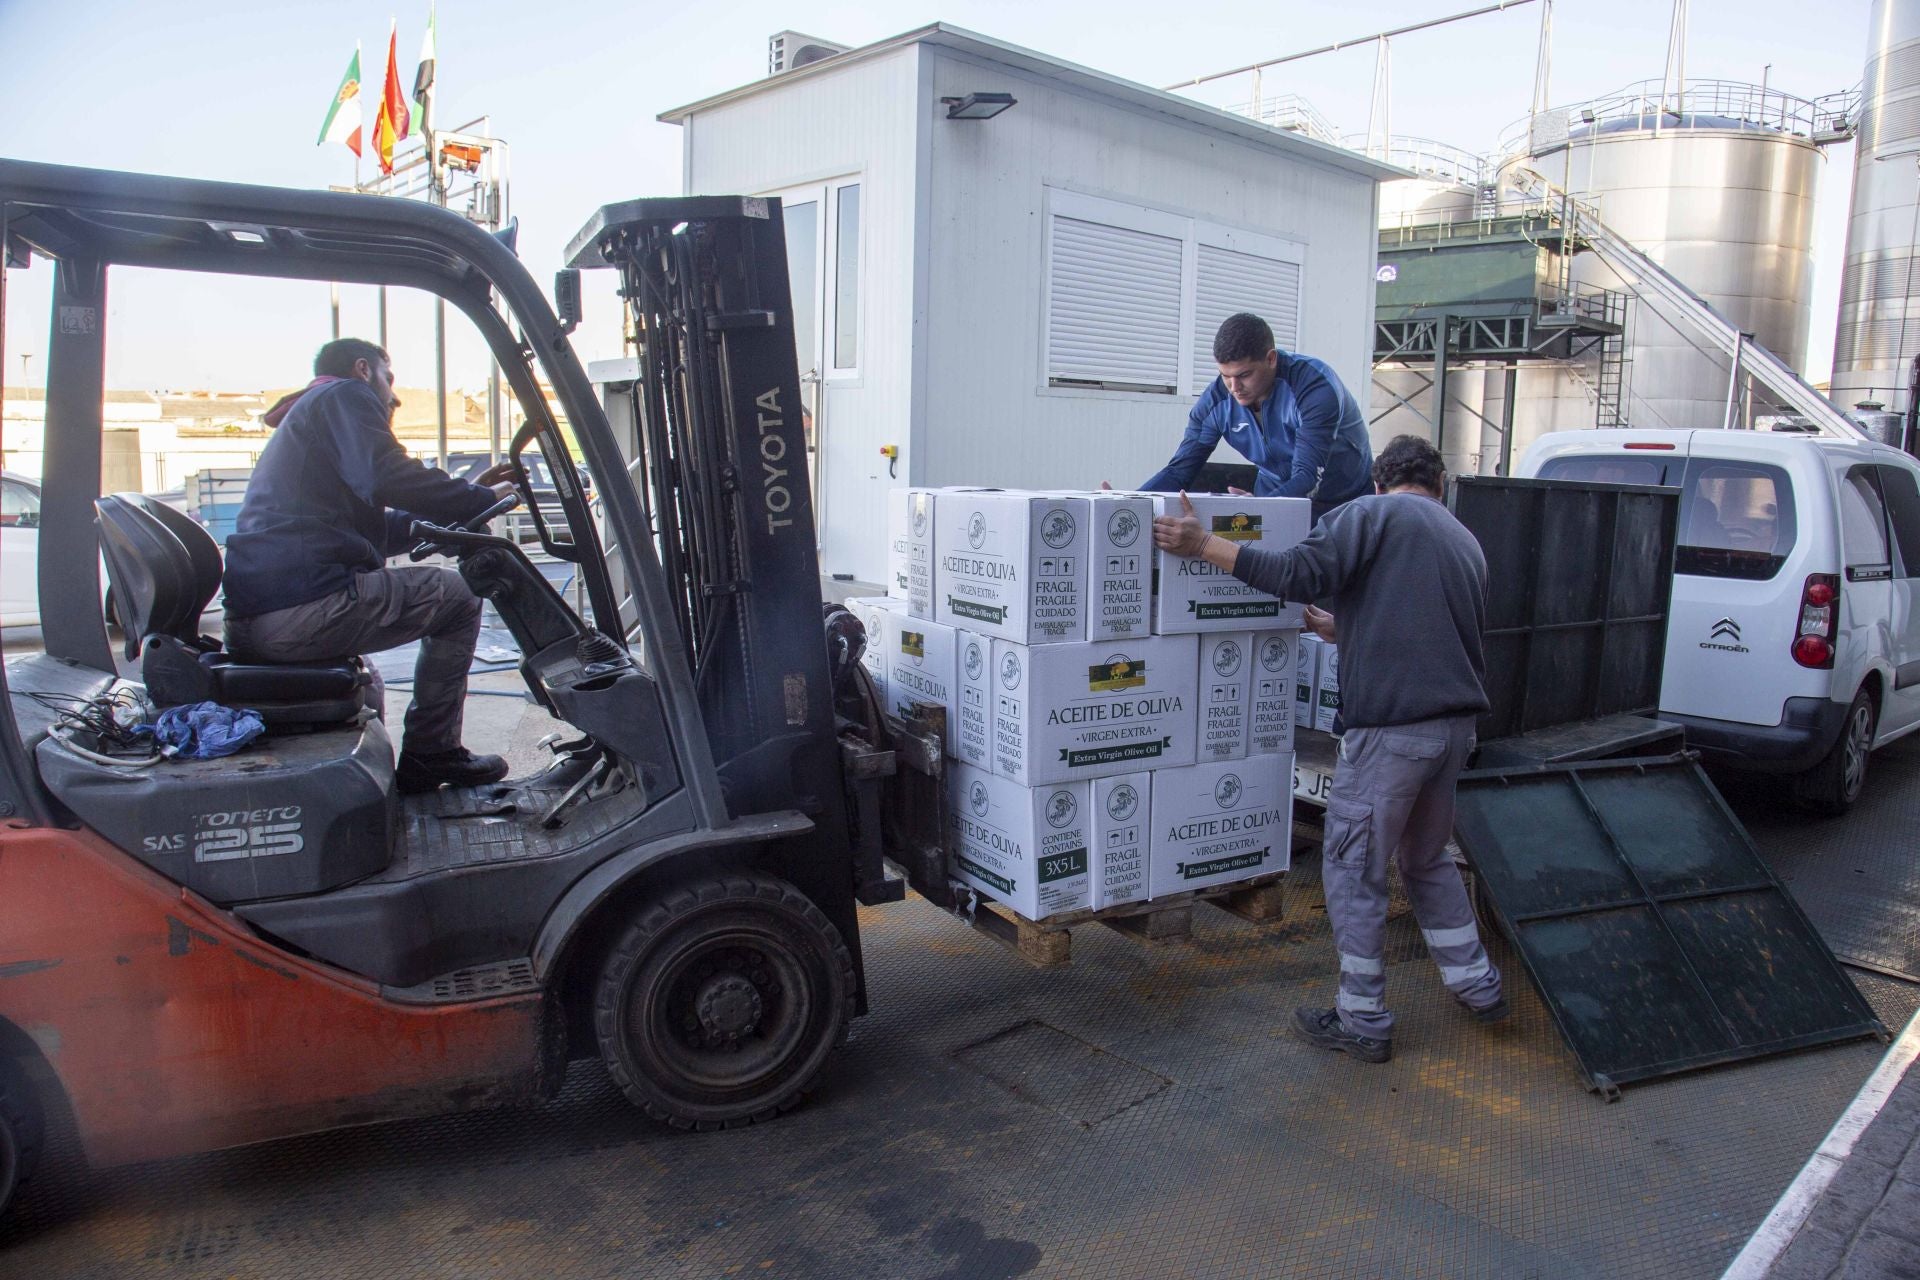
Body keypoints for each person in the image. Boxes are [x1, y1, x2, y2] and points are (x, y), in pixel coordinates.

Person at [1151, 434, 1504, 1064]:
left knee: (1351, 867)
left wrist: (1201, 543)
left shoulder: (1368, 515)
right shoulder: (1465, 540)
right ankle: (1477, 985)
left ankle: (1363, 1019)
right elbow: (1434, 627)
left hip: (1393, 735)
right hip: (1454, 733)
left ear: (1377, 483)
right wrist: (1345, 629)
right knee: (1426, 860)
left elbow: (1294, 575)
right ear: (1440, 486)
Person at [222, 338, 516, 794]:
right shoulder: (344, 394)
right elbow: (387, 475)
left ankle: (400, 774)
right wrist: (477, 499)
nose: (394, 396)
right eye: (389, 377)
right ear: (363, 369)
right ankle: (432, 751)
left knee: (372, 683)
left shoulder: (310, 417)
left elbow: (378, 523)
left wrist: (454, 506)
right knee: (460, 597)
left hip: (268, 612)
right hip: (301, 605)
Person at [1140, 313, 1374, 523]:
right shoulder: (1215, 403)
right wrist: (1126, 503)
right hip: (1272, 494)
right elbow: (1179, 471)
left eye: (1244, 375)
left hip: (1345, 500)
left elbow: (1306, 478)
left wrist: (1255, 509)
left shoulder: (1314, 389)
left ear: (1271, 359)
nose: (1234, 387)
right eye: (1225, 376)